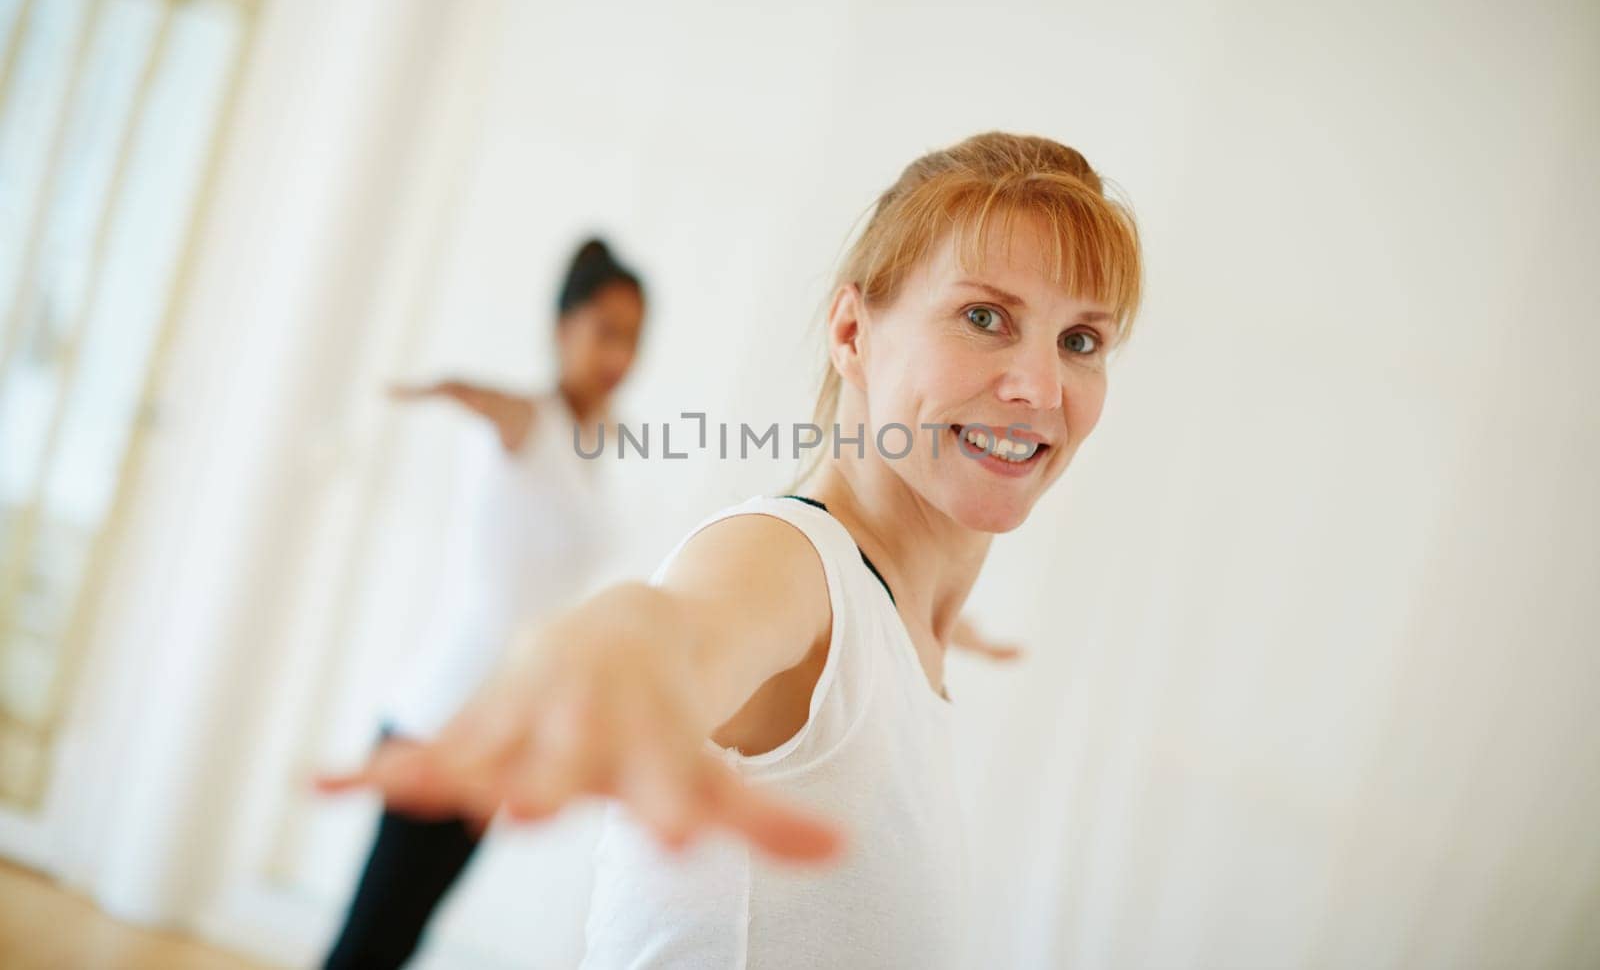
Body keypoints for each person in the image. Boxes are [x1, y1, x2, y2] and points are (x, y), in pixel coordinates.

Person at [319, 132, 1142, 968]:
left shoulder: (881, 611)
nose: (1041, 387)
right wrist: (624, 646)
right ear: (853, 332)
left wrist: (934, 615)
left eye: (1081, 340)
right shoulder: (788, 561)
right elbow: (690, 620)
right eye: (984, 317)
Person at [321, 238, 646, 970]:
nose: (619, 354)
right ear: (563, 328)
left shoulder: (597, 441)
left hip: (504, 720)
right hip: (443, 708)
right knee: (371, 936)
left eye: (631, 338)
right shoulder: (526, 419)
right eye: (605, 331)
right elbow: (483, 395)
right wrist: (435, 387)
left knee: (403, 934)